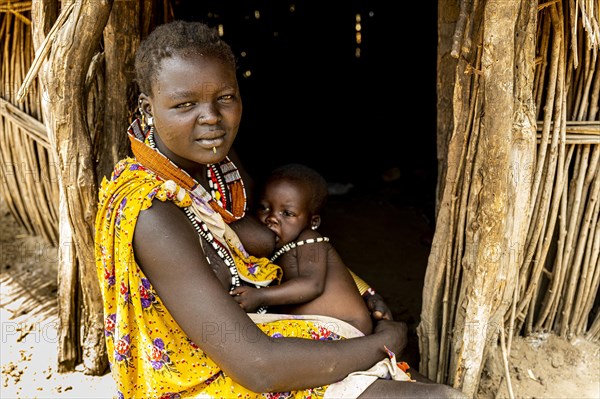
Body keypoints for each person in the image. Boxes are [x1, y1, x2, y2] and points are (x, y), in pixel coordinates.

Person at [94, 20, 466, 399]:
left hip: (260, 338)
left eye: (225, 97)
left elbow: (283, 238)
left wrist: (358, 290)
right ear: (148, 107)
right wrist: (386, 340)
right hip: (218, 375)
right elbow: (260, 369)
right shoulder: (152, 213)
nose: (211, 117)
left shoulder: (216, 165)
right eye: (185, 104)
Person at [230, 163, 372, 336]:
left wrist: (260, 296)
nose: (272, 218)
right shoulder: (275, 251)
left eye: (287, 213)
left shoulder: (311, 240)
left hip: (345, 328)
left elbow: (312, 285)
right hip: (317, 329)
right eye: (264, 208)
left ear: (313, 222)